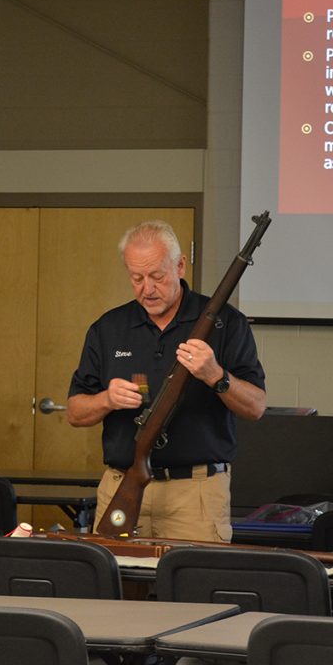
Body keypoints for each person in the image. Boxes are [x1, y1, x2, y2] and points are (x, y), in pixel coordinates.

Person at [67, 220, 267, 542]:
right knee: (112, 588)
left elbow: (256, 407)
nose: (147, 288)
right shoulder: (108, 328)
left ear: (180, 265)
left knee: (193, 588)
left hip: (195, 494)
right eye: (136, 278)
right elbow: (75, 413)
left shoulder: (227, 323)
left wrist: (216, 375)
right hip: (121, 485)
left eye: (157, 276)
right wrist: (107, 399)